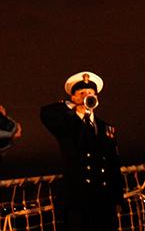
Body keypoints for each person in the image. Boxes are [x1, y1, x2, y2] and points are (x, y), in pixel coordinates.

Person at [40, 72, 124, 231]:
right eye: (82, 93)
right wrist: (70, 103)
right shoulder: (66, 124)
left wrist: (118, 200)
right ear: (73, 96)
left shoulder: (107, 128)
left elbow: (114, 165)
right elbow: (45, 114)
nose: (87, 96)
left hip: (104, 199)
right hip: (77, 201)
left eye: (91, 93)